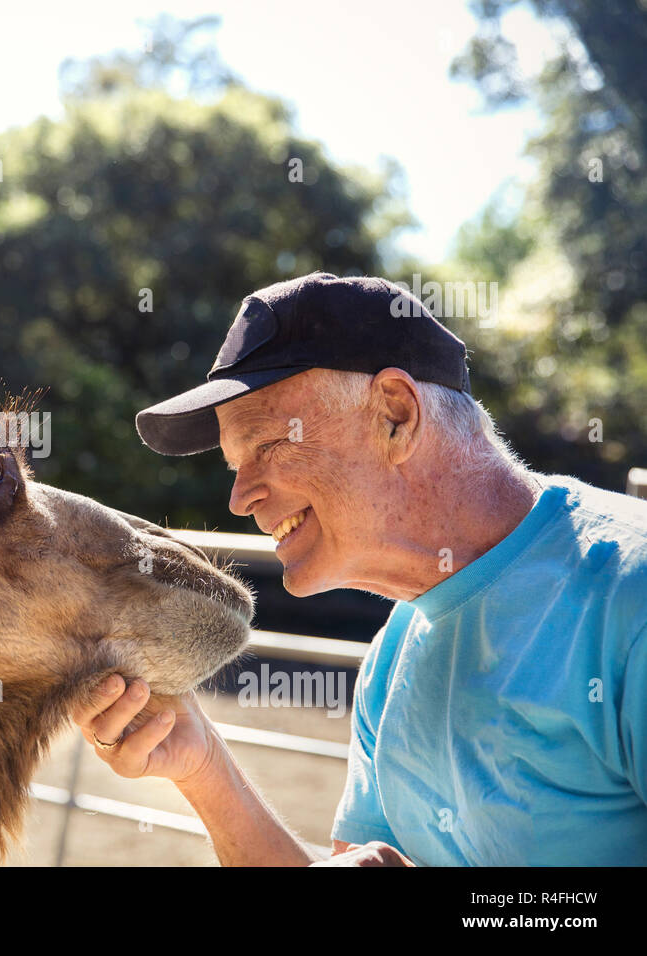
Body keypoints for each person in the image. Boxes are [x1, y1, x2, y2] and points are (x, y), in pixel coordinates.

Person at [74, 272, 647, 865]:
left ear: (394, 414)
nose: (238, 499)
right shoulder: (392, 658)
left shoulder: (630, 594)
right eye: (233, 467)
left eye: (267, 445)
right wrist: (202, 765)